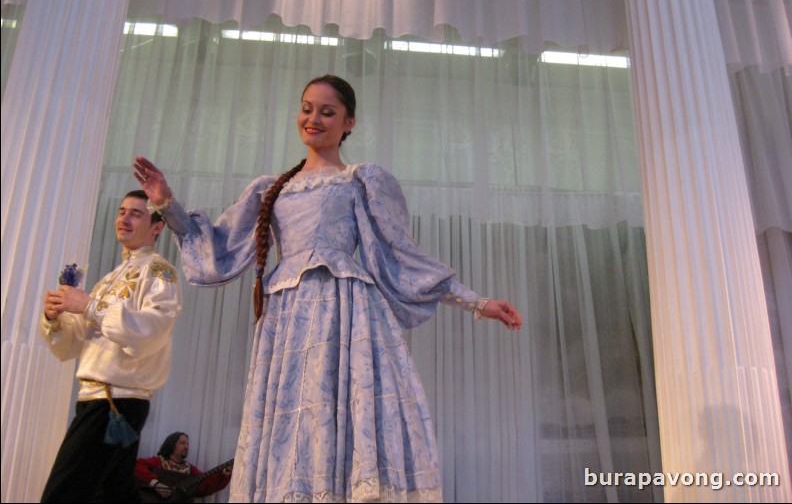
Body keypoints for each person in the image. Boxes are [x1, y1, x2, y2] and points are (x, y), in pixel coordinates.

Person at [133, 74, 523, 502]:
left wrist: (476, 302)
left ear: (349, 123)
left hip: (345, 313)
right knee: (292, 423)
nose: (313, 118)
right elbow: (219, 247)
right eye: (306, 108)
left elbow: (403, 255)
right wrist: (165, 203)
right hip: (287, 319)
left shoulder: (362, 180)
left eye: (327, 111)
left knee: (344, 414)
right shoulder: (270, 189)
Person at [40, 190, 183, 503]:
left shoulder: (159, 272)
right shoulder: (108, 279)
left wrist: (90, 306)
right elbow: (75, 345)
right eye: (121, 211)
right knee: (112, 494)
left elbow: (151, 331)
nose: (124, 218)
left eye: (135, 213)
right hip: (98, 398)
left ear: (156, 227)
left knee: (64, 493)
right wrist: (55, 319)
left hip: (115, 401)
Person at [135, 432, 232, 502]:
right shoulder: (158, 462)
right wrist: (155, 484)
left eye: (187, 443)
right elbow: (137, 466)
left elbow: (206, 485)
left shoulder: (190, 469)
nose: (186, 446)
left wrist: (224, 472)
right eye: (182, 443)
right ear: (172, 445)